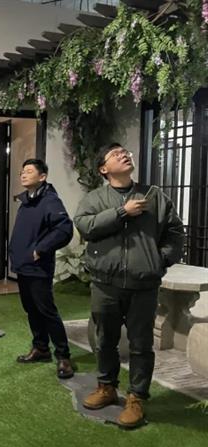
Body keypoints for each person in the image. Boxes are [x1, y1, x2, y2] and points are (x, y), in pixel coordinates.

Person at [74, 143, 185, 428]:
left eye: (125, 152)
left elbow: (175, 232)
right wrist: (122, 212)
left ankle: (136, 398)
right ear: (104, 169)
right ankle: (106, 387)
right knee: (105, 340)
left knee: (141, 344)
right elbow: (85, 226)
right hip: (105, 283)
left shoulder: (153, 196)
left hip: (143, 284)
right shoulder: (95, 198)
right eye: (115, 154)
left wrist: (160, 260)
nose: (124, 154)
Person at [9, 159, 75, 379]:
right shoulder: (26, 201)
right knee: (31, 309)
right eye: (22, 171)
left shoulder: (50, 200)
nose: (23, 174)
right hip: (24, 266)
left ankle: (63, 356)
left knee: (46, 311)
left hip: (38, 267)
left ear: (42, 176)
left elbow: (64, 229)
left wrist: (40, 249)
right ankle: (41, 348)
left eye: (29, 171)